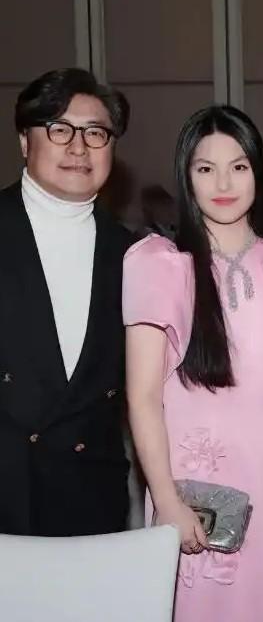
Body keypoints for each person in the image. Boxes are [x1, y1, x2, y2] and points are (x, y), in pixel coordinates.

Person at [124, 105, 263, 621]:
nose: (223, 183)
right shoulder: (159, 264)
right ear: (186, 177)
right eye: (205, 168)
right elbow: (142, 397)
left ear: (259, 173)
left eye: (239, 166)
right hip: (198, 494)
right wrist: (166, 499)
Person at [0, 68, 132, 536]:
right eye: (60, 129)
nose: (79, 147)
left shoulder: (135, 254)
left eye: (95, 133)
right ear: (25, 141)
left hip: (90, 500)